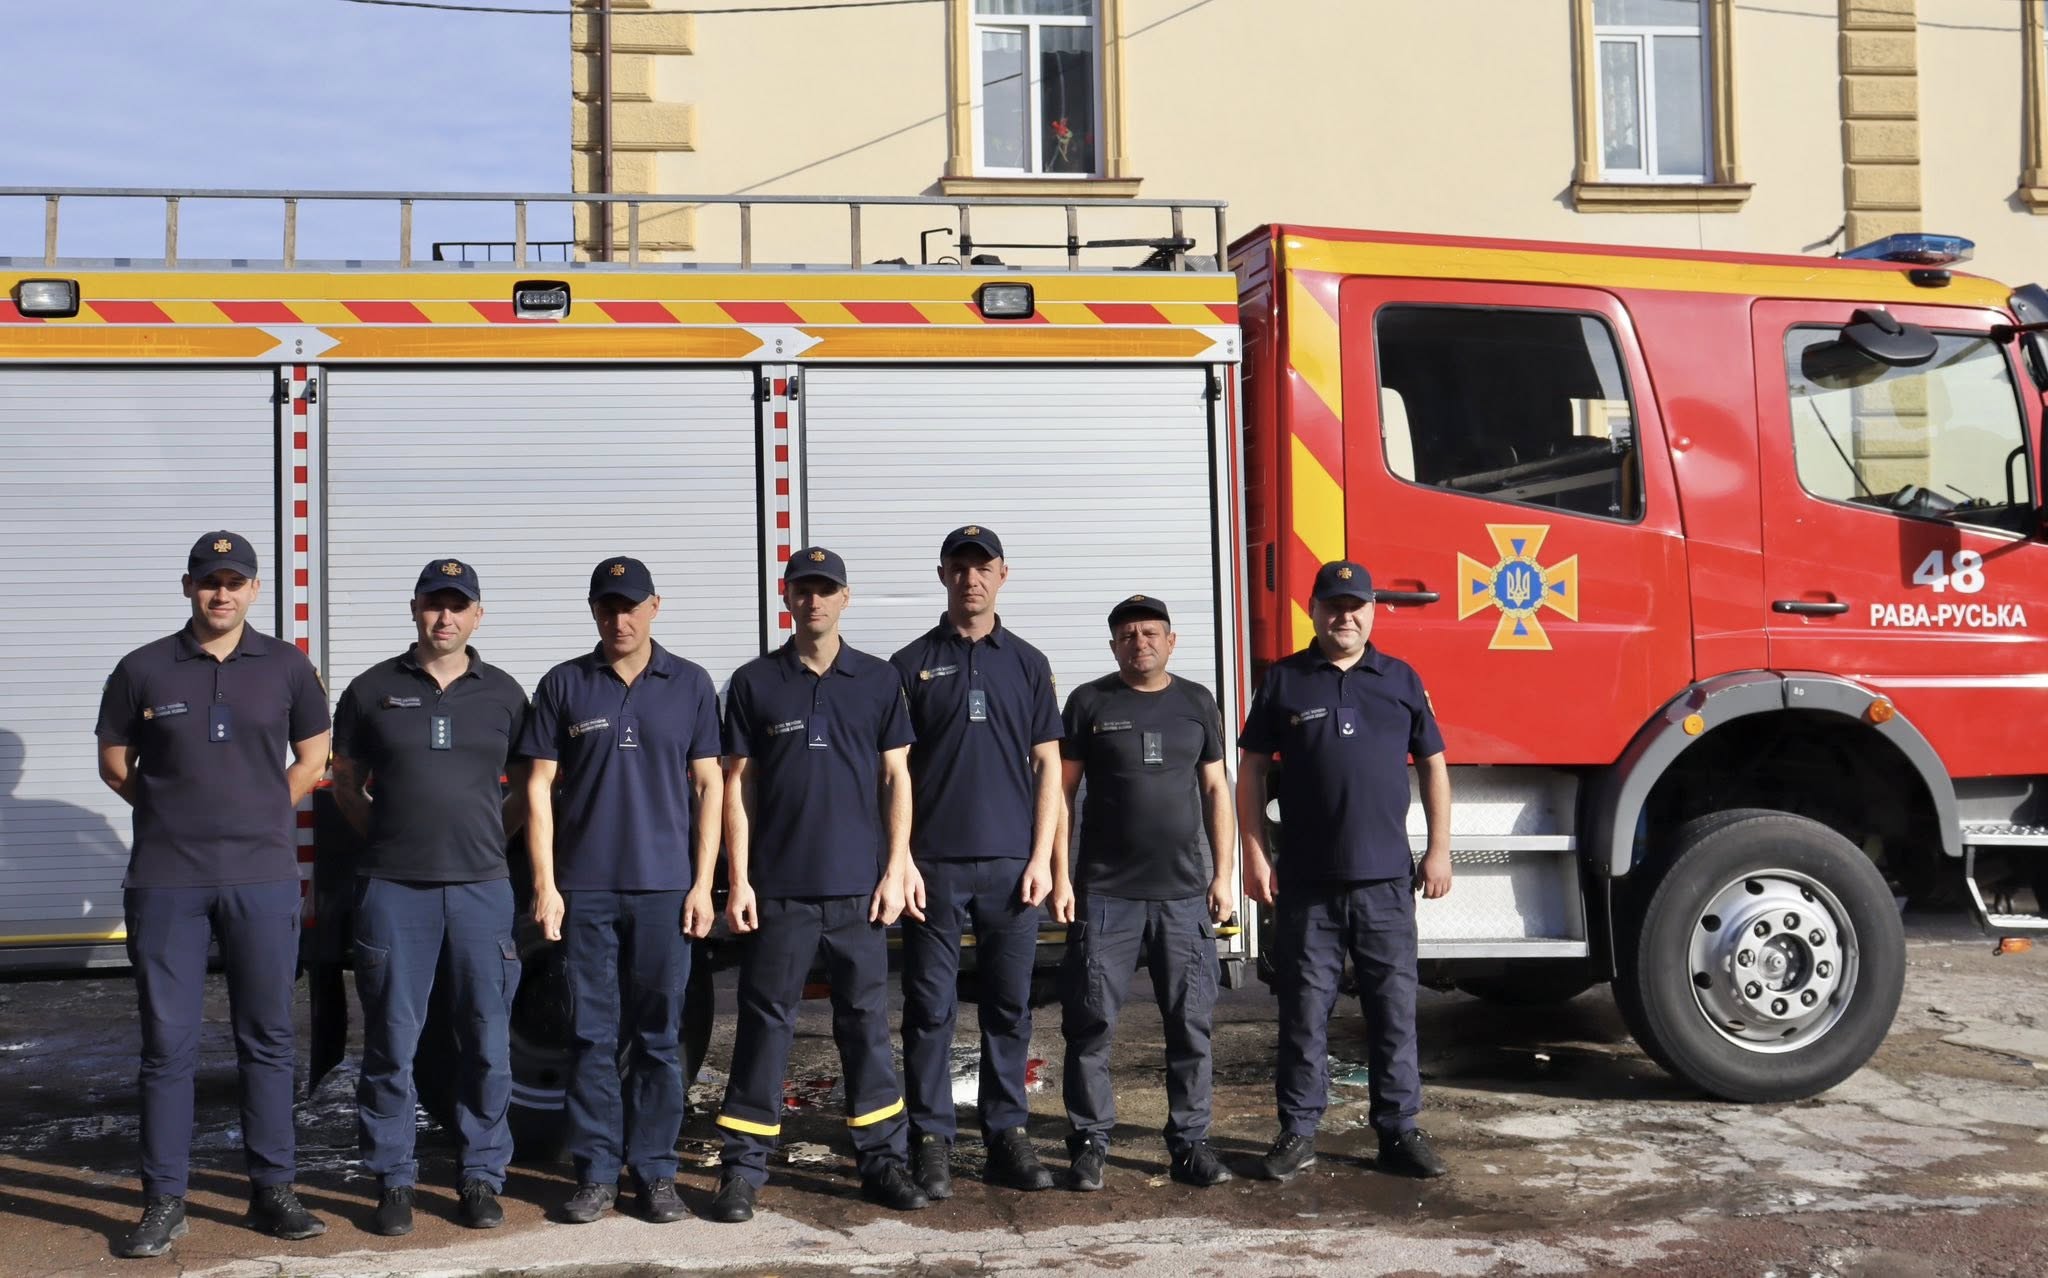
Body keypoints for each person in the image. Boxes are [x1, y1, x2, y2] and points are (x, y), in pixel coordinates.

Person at [94, 531, 332, 1258]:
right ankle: (165, 1200)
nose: (220, 594)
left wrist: (261, 813)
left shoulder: (288, 666)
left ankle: (273, 1190)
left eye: (234, 582)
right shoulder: (142, 668)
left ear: (254, 589)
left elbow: (314, 756)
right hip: (167, 880)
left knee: (267, 1037)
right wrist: (171, 816)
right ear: (188, 587)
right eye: (208, 581)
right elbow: (114, 764)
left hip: (262, 877)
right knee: (168, 1044)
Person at [710, 546, 928, 1222]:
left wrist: (897, 866)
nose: (814, 601)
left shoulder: (878, 679)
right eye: (803, 590)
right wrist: (739, 881)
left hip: (859, 892)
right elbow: (737, 787)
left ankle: (882, 1161)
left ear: (845, 598)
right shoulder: (754, 682)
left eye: (825, 589)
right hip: (780, 891)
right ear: (786, 597)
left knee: (865, 1025)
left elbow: (896, 777)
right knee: (764, 1025)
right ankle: (743, 1168)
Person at [330, 558, 530, 1235]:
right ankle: (393, 1179)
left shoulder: (504, 694)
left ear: (478, 615)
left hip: (482, 889)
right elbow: (345, 781)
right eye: (433, 604)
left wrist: (488, 842)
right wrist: (390, 838)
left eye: (458, 605)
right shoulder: (371, 690)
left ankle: (481, 1176)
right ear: (415, 609)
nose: (445, 616)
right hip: (393, 890)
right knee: (392, 1040)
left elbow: (529, 787)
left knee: (487, 1041)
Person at [520, 557, 723, 1225]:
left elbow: (710, 786)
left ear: (654, 607)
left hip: (665, 891)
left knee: (660, 1038)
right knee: (591, 1037)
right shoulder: (565, 684)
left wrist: (703, 884)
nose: (620, 618)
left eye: (631, 605)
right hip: (587, 892)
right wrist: (547, 885)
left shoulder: (690, 683)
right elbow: (538, 789)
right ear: (593, 611)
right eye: (607, 606)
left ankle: (656, 1174)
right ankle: (597, 1175)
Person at [1237, 559, 1453, 1183]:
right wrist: (1255, 853)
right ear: (1314, 610)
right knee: (1304, 1014)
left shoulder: (1401, 679)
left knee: (1393, 1012)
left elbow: (1433, 766)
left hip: (1386, 883)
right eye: (1333, 605)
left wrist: (1439, 849)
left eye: (1355, 606)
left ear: (1372, 611)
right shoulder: (1285, 680)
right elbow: (1251, 771)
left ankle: (1398, 1131)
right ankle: (1298, 1133)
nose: (1345, 616)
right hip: (1306, 885)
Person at [889, 525, 1062, 1198]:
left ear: (1003, 575)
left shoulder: (1028, 663)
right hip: (932, 867)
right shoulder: (908, 664)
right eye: (959, 568)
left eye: (983, 567)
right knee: (929, 1008)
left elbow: (1048, 766)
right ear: (943, 576)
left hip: (1013, 869)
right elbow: (892, 772)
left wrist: (1043, 857)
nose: (971, 579)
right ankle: (930, 1138)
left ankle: (1005, 1135)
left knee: (1008, 1008)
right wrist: (901, 860)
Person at [1056, 594, 1236, 1192]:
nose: (1141, 642)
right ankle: (1089, 1143)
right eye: (1129, 634)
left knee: (1190, 1026)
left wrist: (1223, 875)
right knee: (1091, 1026)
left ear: (1171, 641)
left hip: (1183, 897)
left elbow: (1216, 789)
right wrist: (1060, 874)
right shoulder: (1088, 702)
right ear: (1113, 646)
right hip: (1106, 895)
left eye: (1151, 632)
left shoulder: (1197, 702)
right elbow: (1061, 794)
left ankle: (1190, 1144)